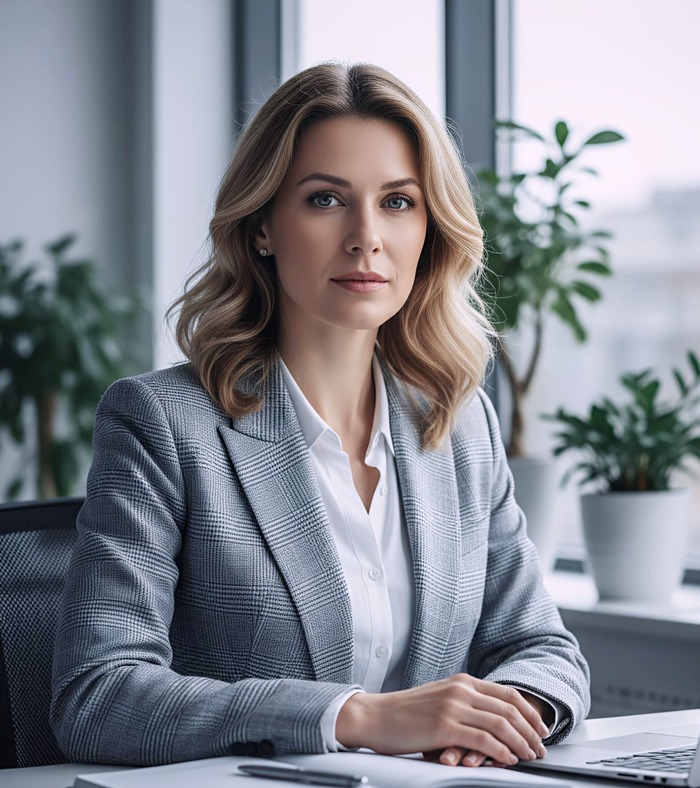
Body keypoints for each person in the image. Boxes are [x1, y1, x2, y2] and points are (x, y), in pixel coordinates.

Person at [50, 62, 590, 768]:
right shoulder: (161, 424)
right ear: (264, 227)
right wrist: (353, 717)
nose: (366, 236)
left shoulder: (461, 426)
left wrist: (496, 722)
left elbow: (542, 649)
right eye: (326, 199)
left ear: (430, 228)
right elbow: (97, 696)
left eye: (398, 202)